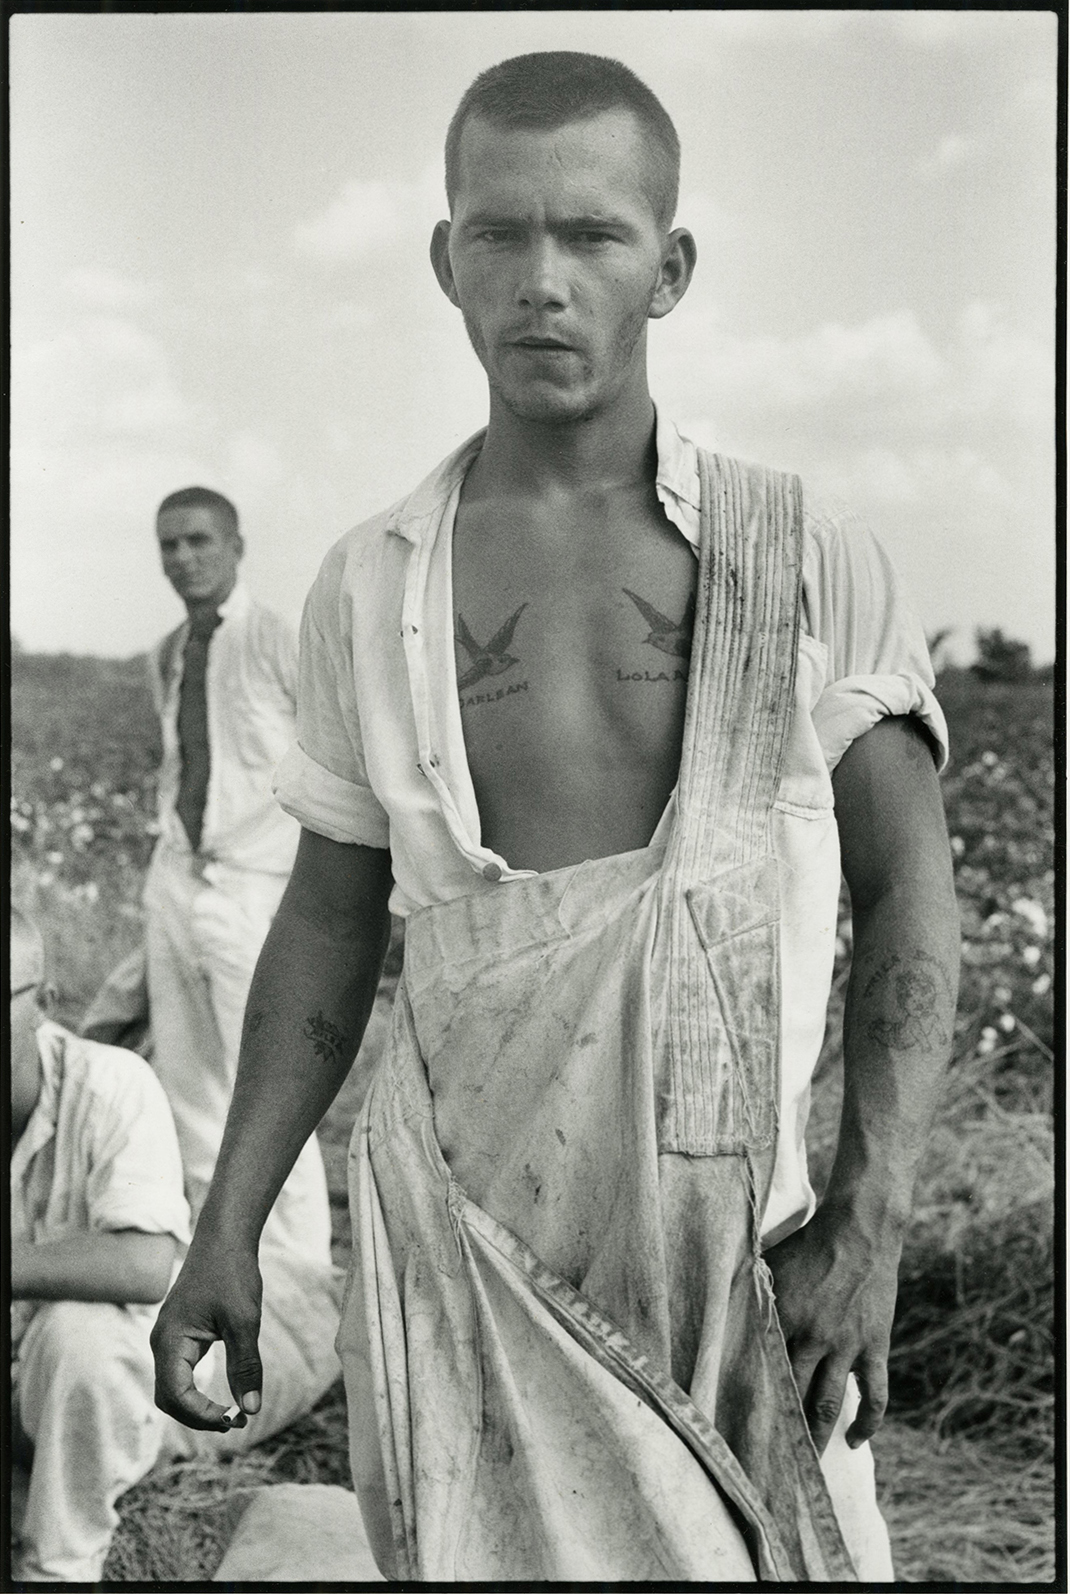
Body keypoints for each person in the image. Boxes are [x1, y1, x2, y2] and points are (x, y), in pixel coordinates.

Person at [152, 53, 960, 1582]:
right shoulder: (371, 582)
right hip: (463, 1270)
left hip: (741, 1278)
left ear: (669, 268)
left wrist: (871, 1219)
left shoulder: (800, 557)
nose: (541, 282)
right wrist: (228, 1228)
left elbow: (910, 891)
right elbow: (329, 930)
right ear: (442, 259)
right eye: (497, 235)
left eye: (589, 237)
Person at [139, 486, 341, 1445]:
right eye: (170, 545)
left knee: (265, 1093)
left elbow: (327, 744)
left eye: (200, 541)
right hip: (179, 878)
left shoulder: (274, 633)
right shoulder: (172, 652)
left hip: (258, 885)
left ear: (235, 545)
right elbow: (181, 760)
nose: (185, 558)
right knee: (188, 1091)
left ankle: (299, 1299)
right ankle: (202, 1293)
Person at [10, 910, 190, 1581]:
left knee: (80, 1338)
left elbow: (145, 1266)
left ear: (43, 1004)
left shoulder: (112, 1083)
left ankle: (58, 1567)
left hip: (120, 1392)